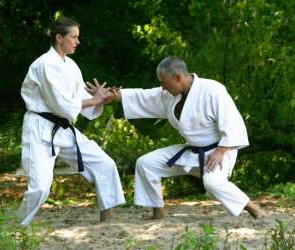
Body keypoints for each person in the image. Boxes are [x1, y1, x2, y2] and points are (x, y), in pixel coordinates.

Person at [87, 56, 266, 219]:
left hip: (218, 151)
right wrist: (112, 96)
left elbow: (233, 123)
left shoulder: (213, 90)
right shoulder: (170, 95)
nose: (163, 87)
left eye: (165, 83)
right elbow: (144, 96)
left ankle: (252, 207)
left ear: (179, 77)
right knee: (146, 163)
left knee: (212, 183)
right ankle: (158, 211)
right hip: (191, 151)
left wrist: (220, 151)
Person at [18, 16, 125, 226]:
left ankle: (107, 219)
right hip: (40, 129)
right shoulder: (44, 65)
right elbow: (61, 104)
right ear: (59, 38)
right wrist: (93, 100)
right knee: (40, 186)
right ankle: (18, 225)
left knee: (104, 163)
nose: (78, 41)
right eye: (74, 37)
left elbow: (80, 100)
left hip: (64, 129)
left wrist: (100, 99)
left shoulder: (71, 65)